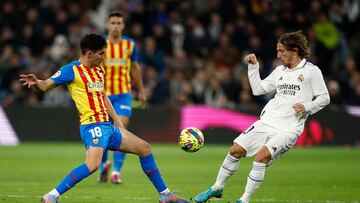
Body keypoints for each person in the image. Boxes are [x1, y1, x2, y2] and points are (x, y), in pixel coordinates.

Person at [19, 33, 189, 203]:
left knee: (145, 149)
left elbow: (103, 96)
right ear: (90, 54)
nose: (104, 57)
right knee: (93, 165)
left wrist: (117, 121)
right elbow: (46, 85)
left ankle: (165, 195)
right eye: (101, 53)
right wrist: (37, 83)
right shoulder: (71, 70)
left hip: (108, 126)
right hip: (92, 126)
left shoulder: (99, 70)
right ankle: (51, 196)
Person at [193, 30, 330, 203]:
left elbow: (325, 98)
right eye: (277, 51)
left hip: (288, 129)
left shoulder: (311, 71)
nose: (278, 55)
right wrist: (253, 67)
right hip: (267, 121)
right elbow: (258, 89)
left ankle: (244, 200)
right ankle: (216, 188)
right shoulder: (280, 70)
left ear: (294, 50)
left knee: (262, 156)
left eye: (281, 51)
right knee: (235, 150)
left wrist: (307, 106)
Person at [99, 11, 147, 184]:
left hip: (123, 94)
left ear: (123, 26)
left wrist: (141, 90)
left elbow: (135, 68)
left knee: (122, 127)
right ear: (107, 25)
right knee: (102, 131)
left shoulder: (130, 44)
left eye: (119, 23)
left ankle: (116, 172)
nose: (116, 26)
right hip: (102, 94)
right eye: (113, 23)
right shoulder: (100, 44)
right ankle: (104, 164)